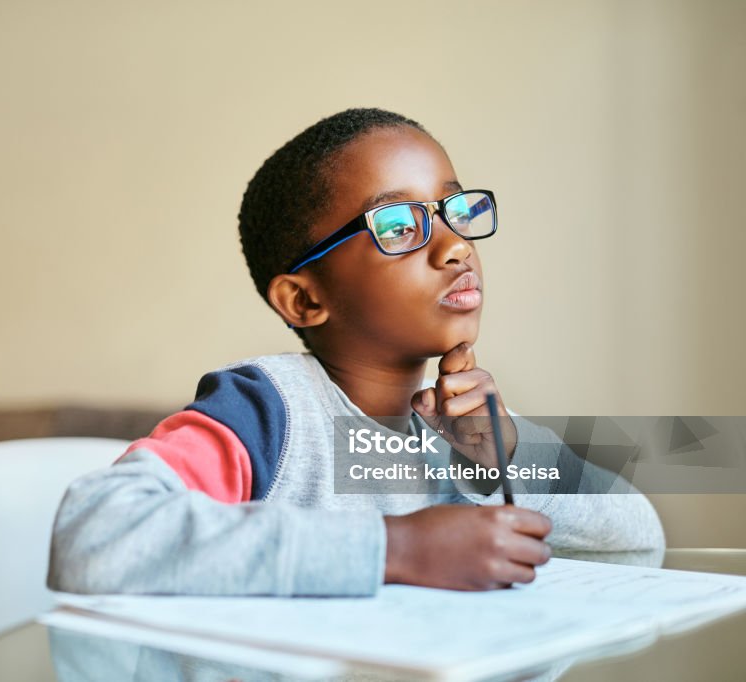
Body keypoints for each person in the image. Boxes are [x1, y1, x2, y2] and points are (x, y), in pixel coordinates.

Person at [47, 108, 665, 596]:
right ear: (304, 299)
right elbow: (94, 536)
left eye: (454, 210)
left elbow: (637, 539)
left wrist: (504, 461)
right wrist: (398, 550)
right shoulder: (265, 413)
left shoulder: (468, 430)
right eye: (398, 226)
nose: (455, 247)